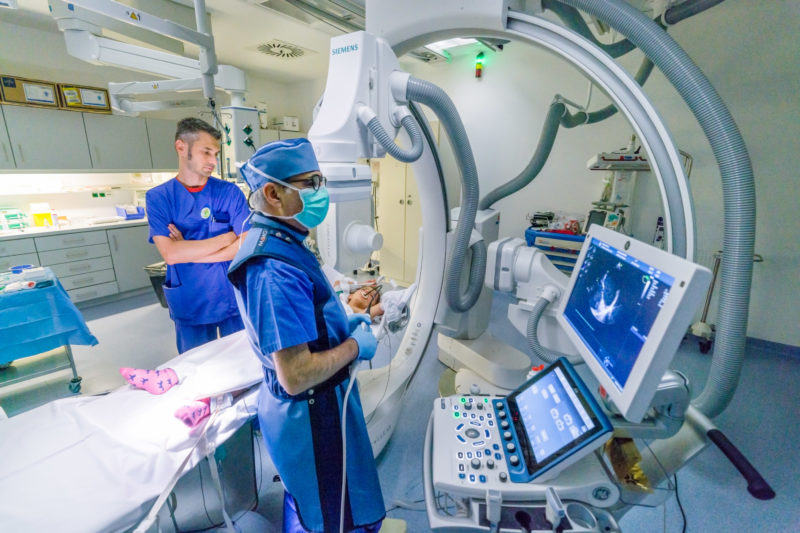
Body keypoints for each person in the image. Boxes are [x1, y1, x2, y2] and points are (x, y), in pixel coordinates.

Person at [227, 138, 385, 533]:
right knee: (329, 514)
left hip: (320, 407)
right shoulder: (272, 271)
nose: (321, 193)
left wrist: (338, 328)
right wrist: (352, 347)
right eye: (311, 183)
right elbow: (294, 375)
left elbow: (304, 317)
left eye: (322, 181)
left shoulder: (283, 240)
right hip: (310, 416)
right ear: (273, 193)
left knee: (330, 501)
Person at [146, 117, 250, 354]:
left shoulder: (229, 192)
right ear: (181, 147)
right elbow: (170, 254)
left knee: (240, 363)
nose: (214, 161)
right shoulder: (159, 198)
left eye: (216, 153)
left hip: (230, 295)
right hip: (190, 298)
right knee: (195, 367)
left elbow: (246, 242)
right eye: (206, 152)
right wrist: (225, 239)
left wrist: (189, 251)